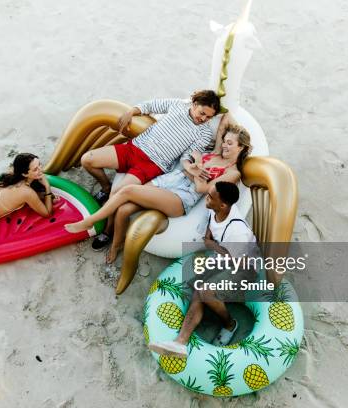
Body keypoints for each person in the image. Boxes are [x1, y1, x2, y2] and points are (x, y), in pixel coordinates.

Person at [66, 124, 252, 264]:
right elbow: (202, 146)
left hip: (182, 196)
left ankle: (90, 222)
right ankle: (116, 242)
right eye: (225, 141)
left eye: (230, 143)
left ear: (241, 147)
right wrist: (193, 165)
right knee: (123, 209)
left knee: (128, 189)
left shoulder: (233, 172)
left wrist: (198, 169)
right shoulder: (217, 152)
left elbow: (204, 189)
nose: (225, 146)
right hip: (171, 179)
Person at [81, 90, 221, 251]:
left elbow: (186, 156)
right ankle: (105, 186)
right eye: (202, 113)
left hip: (153, 164)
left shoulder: (204, 133)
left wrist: (190, 167)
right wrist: (131, 111)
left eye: (209, 117)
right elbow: (150, 105)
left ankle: (107, 232)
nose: (203, 119)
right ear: (195, 104)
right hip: (133, 149)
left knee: (117, 193)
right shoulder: (177, 105)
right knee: (87, 160)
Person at [148, 181, 258, 358]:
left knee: (205, 291)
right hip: (223, 259)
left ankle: (230, 324)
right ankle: (179, 343)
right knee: (198, 292)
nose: (206, 198)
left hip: (244, 269)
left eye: (210, 197)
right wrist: (208, 237)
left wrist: (212, 246)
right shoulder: (214, 208)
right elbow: (211, 221)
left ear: (222, 204)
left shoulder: (237, 231)